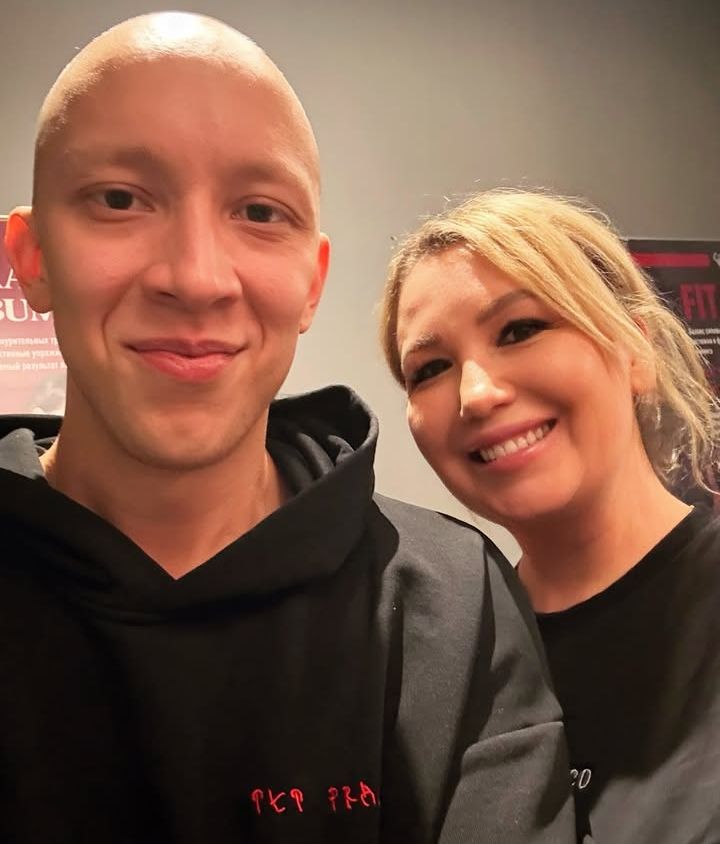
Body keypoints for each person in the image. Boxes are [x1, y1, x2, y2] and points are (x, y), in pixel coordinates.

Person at [0, 15, 575, 844]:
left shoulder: (453, 602)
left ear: (312, 282)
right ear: (32, 257)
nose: (197, 277)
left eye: (260, 211)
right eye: (120, 199)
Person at [380, 188, 720, 843]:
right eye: (431, 368)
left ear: (636, 351)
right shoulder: (444, 656)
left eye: (520, 330)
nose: (476, 394)